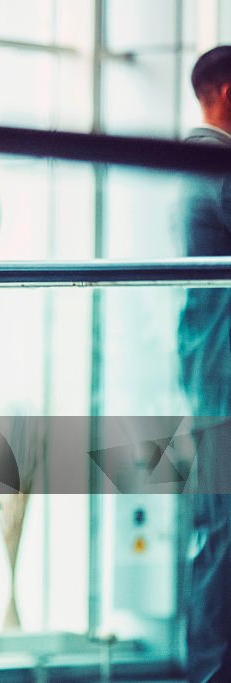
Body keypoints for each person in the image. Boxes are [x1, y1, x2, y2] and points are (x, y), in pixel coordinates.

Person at [177, 44, 231, 683]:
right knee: (224, 538)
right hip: (223, 378)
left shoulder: (191, 162)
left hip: (211, 374)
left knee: (218, 534)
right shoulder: (214, 163)